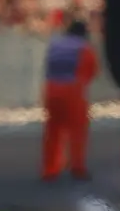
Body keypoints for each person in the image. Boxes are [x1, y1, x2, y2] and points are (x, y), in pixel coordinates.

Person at [41, 18, 99, 181]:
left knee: (53, 131)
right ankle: (77, 167)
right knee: (77, 131)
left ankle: (50, 169)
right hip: (73, 91)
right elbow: (91, 70)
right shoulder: (83, 48)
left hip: (51, 89)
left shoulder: (55, 44)